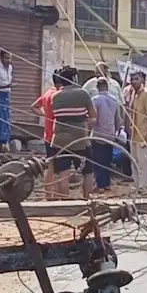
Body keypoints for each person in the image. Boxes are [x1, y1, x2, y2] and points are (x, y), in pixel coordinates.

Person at [51, 66, 96, 199]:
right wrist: (87, 129)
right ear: (74, 78)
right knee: (88, 171)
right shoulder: (83, 94)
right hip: (80, 139)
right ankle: (87, 199)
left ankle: (64, 202)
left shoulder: (55, 96)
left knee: (63, 173)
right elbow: (93, 117)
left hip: (60, 140)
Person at [31, 70, 62, 199]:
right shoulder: (60, 95)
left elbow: (33, 106)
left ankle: (48, 194)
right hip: (59, 135)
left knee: (50, 166)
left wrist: (45, 115)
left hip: (47, 135)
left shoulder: (48, 93)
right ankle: (57, 195)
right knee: (60, 168)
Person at [91, 77, 121, 191]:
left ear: (97, 87)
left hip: (98, 135)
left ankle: (100, 184)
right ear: (107, 87)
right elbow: (118, 118)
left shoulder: (95, 99)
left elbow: (94, 119)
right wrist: (117, 131)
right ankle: (107, 183)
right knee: (107, 160)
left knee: (99, 160)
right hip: (111, 134)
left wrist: (89, 130)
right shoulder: (114, 99)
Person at [128, 71, 147, 194]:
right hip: (133, 134)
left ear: (142, 80)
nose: (133, 81)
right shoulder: (133, 94)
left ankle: (144, 187)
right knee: (134, 161)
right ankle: (137, 185)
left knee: (143, 162)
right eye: (132, 79)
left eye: (136, 79)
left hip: (143, 133)